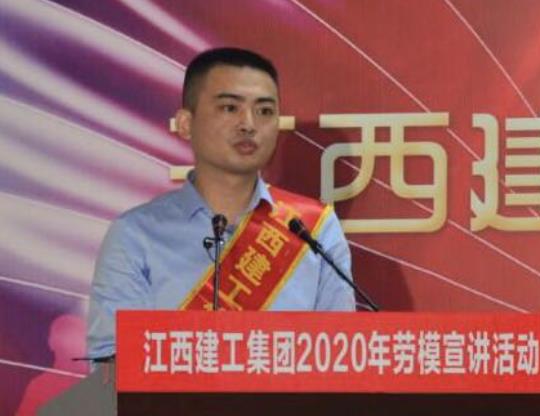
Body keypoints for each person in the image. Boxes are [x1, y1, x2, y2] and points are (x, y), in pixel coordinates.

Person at [87, 47, 355, 359]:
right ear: (185, 123)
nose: (249, 124)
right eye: (230, 108)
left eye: (264, 111)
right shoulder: (136, 235)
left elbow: (341, 356)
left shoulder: (313, 229)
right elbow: (111, 364)